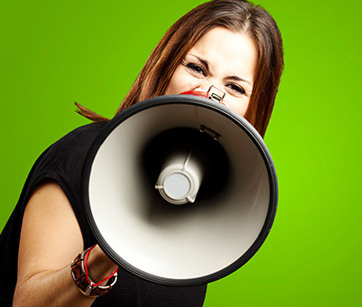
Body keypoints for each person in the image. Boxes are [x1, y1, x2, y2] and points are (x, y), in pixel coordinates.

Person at [0, 0, 284, 305]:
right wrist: (106, 254)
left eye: (236, 88)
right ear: (166, 68)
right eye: (196, 68)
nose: (210, 93)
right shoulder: (85, 157)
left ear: (253, 110)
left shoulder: (214, 206)